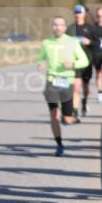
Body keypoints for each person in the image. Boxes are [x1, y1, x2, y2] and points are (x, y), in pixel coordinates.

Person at [37, 16, 90, 156]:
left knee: (67, 118)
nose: (58, 27)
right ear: (52, 27)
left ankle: (68, 116)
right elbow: (40, 58)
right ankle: (59, 144)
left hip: (67, 82)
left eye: (60, 25)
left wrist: (72, 65)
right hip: (51, 81)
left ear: (65, 28)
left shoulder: (72, 42)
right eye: (55, 24)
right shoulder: (46, 43)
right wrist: (40, 63)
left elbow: (84, 60)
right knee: (54, 114)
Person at [66, 5, 94, 116]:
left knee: (85, 87)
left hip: (87, 61)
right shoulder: (70, 29)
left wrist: (90, 42)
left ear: (84, 14)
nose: (77, 15)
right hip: (75, 62)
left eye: (79, 13)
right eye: (76, 13)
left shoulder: (90, 28)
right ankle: (75, 110)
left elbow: (97, 43)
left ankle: (85, 101)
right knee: (76, 88)